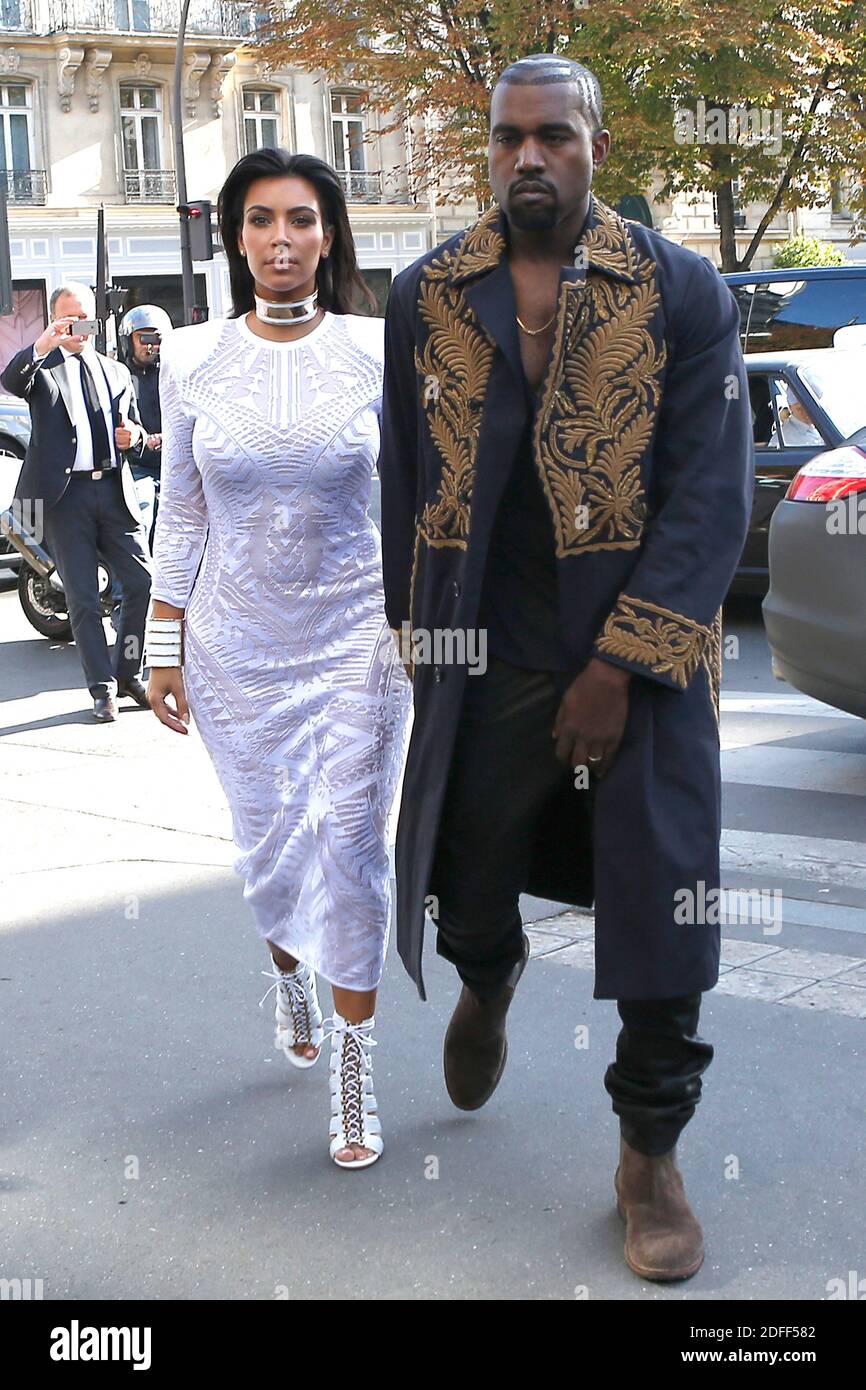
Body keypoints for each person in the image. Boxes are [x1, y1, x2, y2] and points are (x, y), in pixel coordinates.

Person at [378, 55, 753, 1279]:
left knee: (661, 906)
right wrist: (412, 633)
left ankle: (648, 1153)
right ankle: (490, 974)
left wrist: (622, 664)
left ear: (593, 144)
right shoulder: (430, 291)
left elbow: (707, 498)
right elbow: (405, 478)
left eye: (552, 135)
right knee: (460, 867)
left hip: (639, 653)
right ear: (486, 149)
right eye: (506, 138)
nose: (527, 157)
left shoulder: (678, 289)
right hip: (483, 648)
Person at [145, 149, 412, 1170]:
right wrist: (162, 645)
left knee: (349, 847)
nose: (281, 239)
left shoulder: (380, 349)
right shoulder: (191, 356)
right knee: (271, 847)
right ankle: (289, 971)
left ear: (330, 234)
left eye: (300, 219)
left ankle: (353, 1068)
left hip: (358, 639)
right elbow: (184, 507)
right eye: (260, 220)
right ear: (237, 237)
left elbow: (424, 500)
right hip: (234, 647)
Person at [1, 281, 152, 722]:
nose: (79, 328)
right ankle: (101, 688)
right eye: (69, 319)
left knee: (141, 582)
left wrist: (136, 437)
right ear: (54, 321)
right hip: (67, 499)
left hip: (113, 490)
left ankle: (128, 670)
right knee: (83, 598)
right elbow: (10, 379)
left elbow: (138, 432)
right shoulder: (42, 370)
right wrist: (45, 342)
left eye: (85, 318)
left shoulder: (116, 371)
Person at [118, 304, 173, 549]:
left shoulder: (175, 374)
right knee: (140, 520)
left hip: (177, 465)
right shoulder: (119, 376)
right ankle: (137, 583)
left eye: (156, 338)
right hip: (138, 467)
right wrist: (141, 439)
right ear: (128, 341)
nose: (150, 345)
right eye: (143, 338)